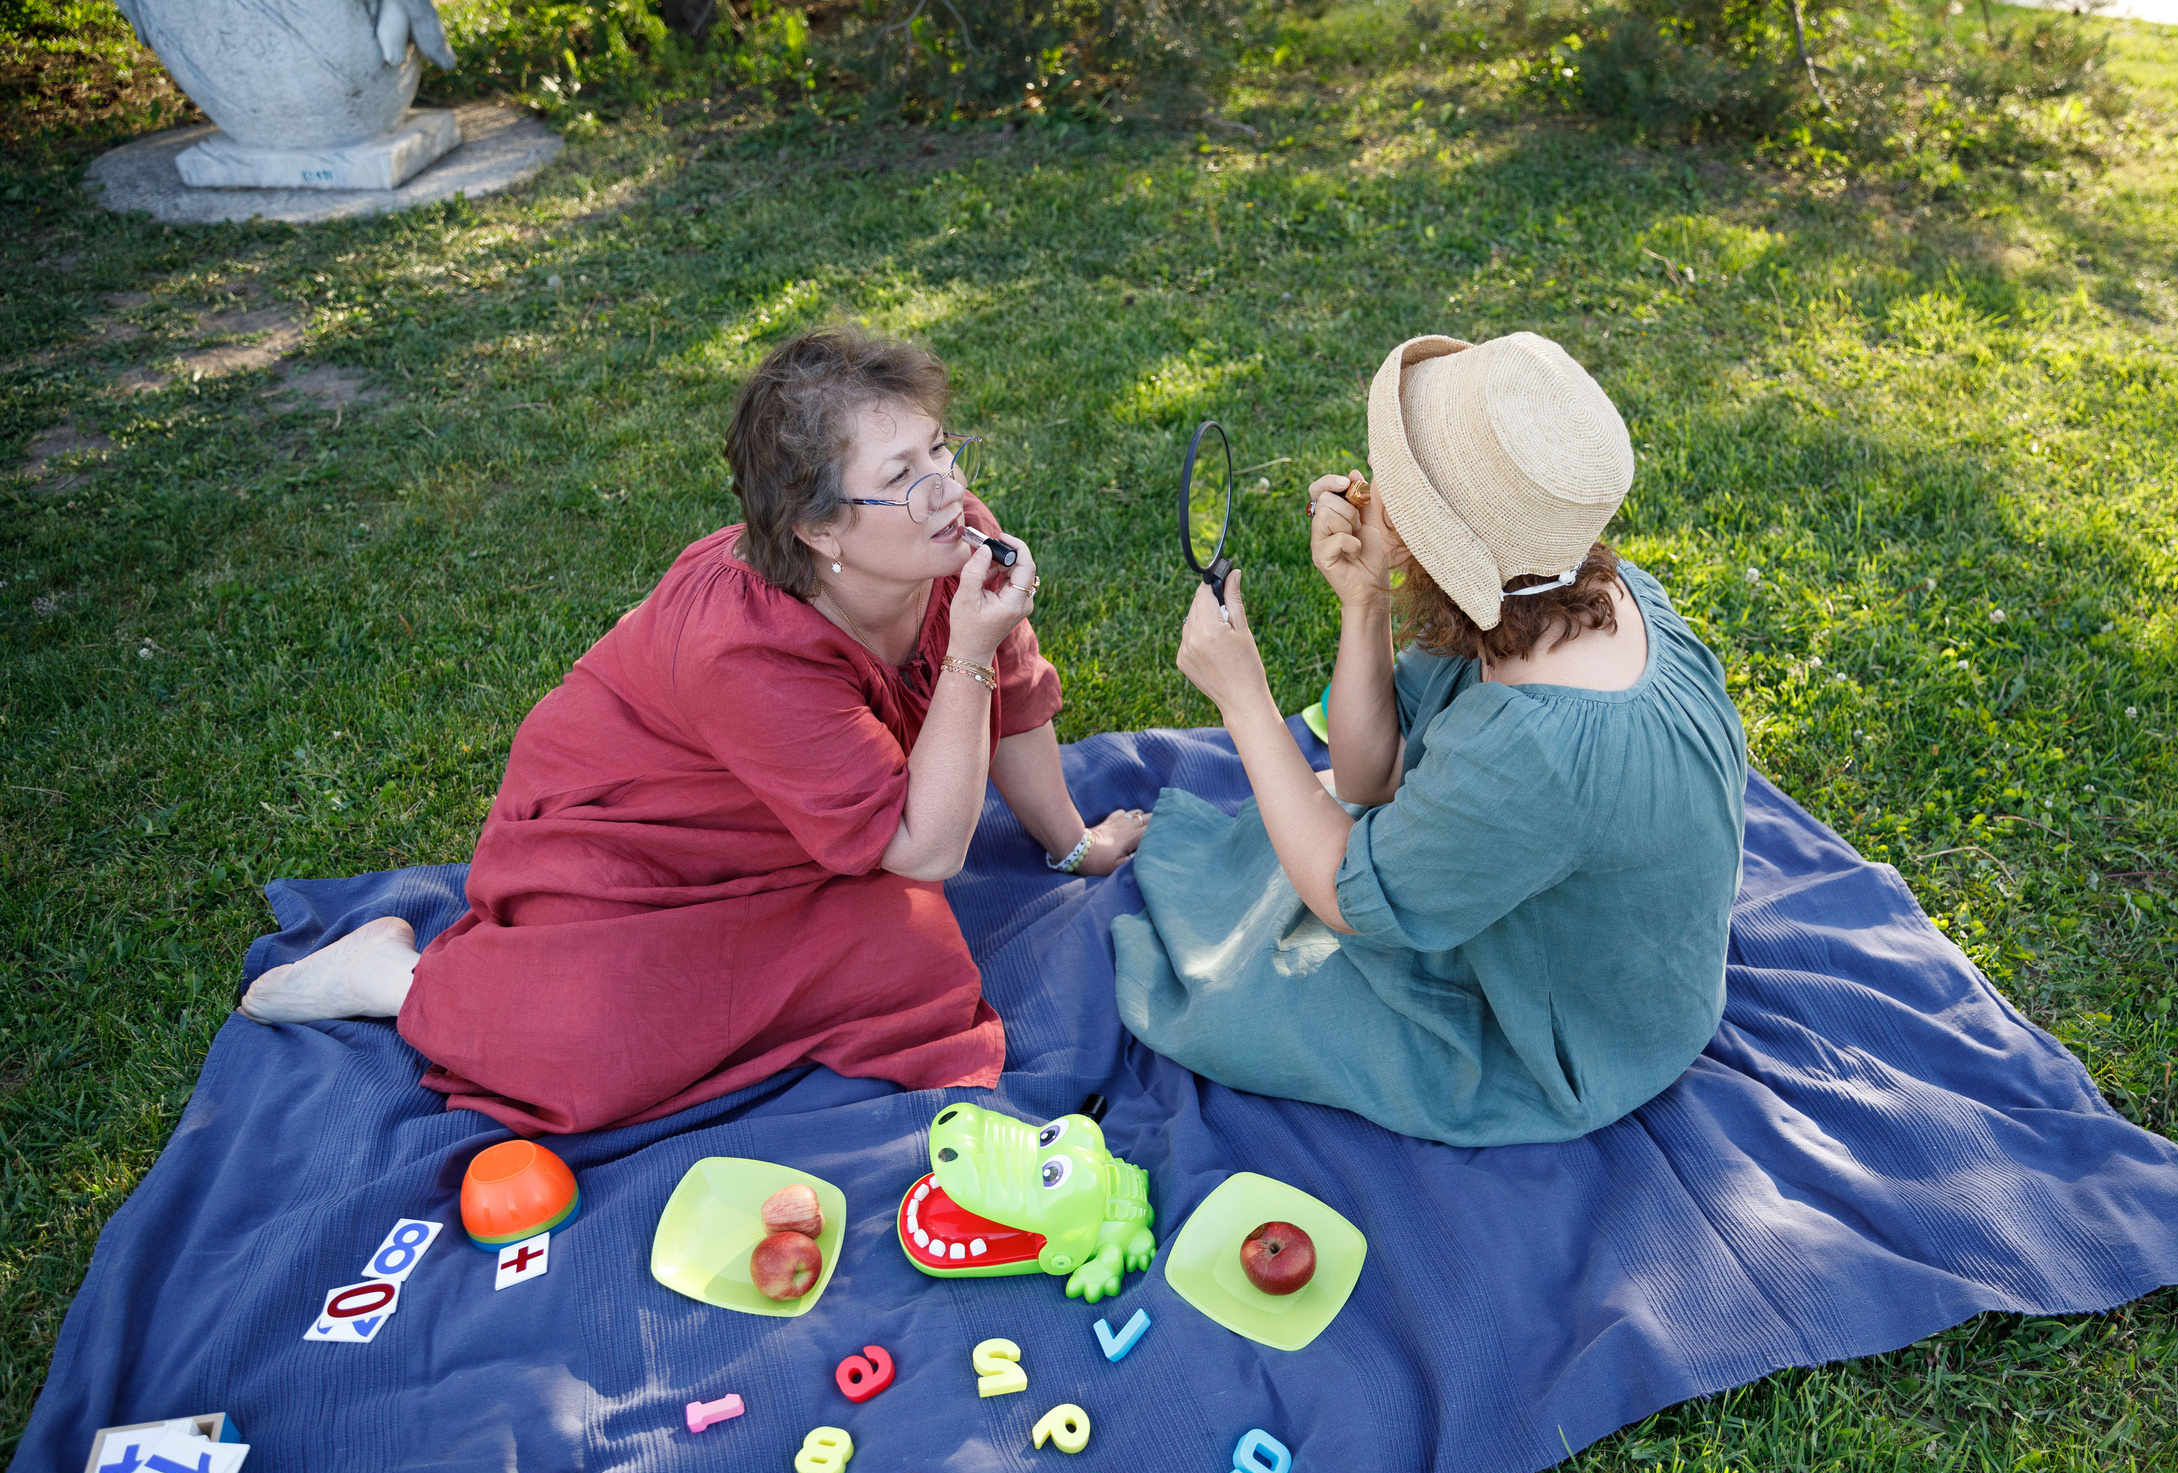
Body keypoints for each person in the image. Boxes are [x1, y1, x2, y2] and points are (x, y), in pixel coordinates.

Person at [241, 327, 1147, 1135]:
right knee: (579, 1056)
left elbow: (1014, 698)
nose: (946, 489)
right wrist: (968, 655)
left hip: (802, 834)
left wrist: (1075, 847)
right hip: (635, 843)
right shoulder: (744, 645)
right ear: (818, 529)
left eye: (942, 449)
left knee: (909, 960)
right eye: (901, 477)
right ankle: (390, 979)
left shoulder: (955, 539)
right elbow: (927, 848)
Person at [1111, 332, 1748, 1146]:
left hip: (1577, 1041)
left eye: (1405, 485)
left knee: (1240, 990)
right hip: (1589, 941)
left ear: (1453, 544)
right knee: (1277, 849)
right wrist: (1364, 594)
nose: (1376, 489)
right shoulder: (1571, 590)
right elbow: (1371, 775)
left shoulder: (1531, 753)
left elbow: (1343, 895)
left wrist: (1247, 705)